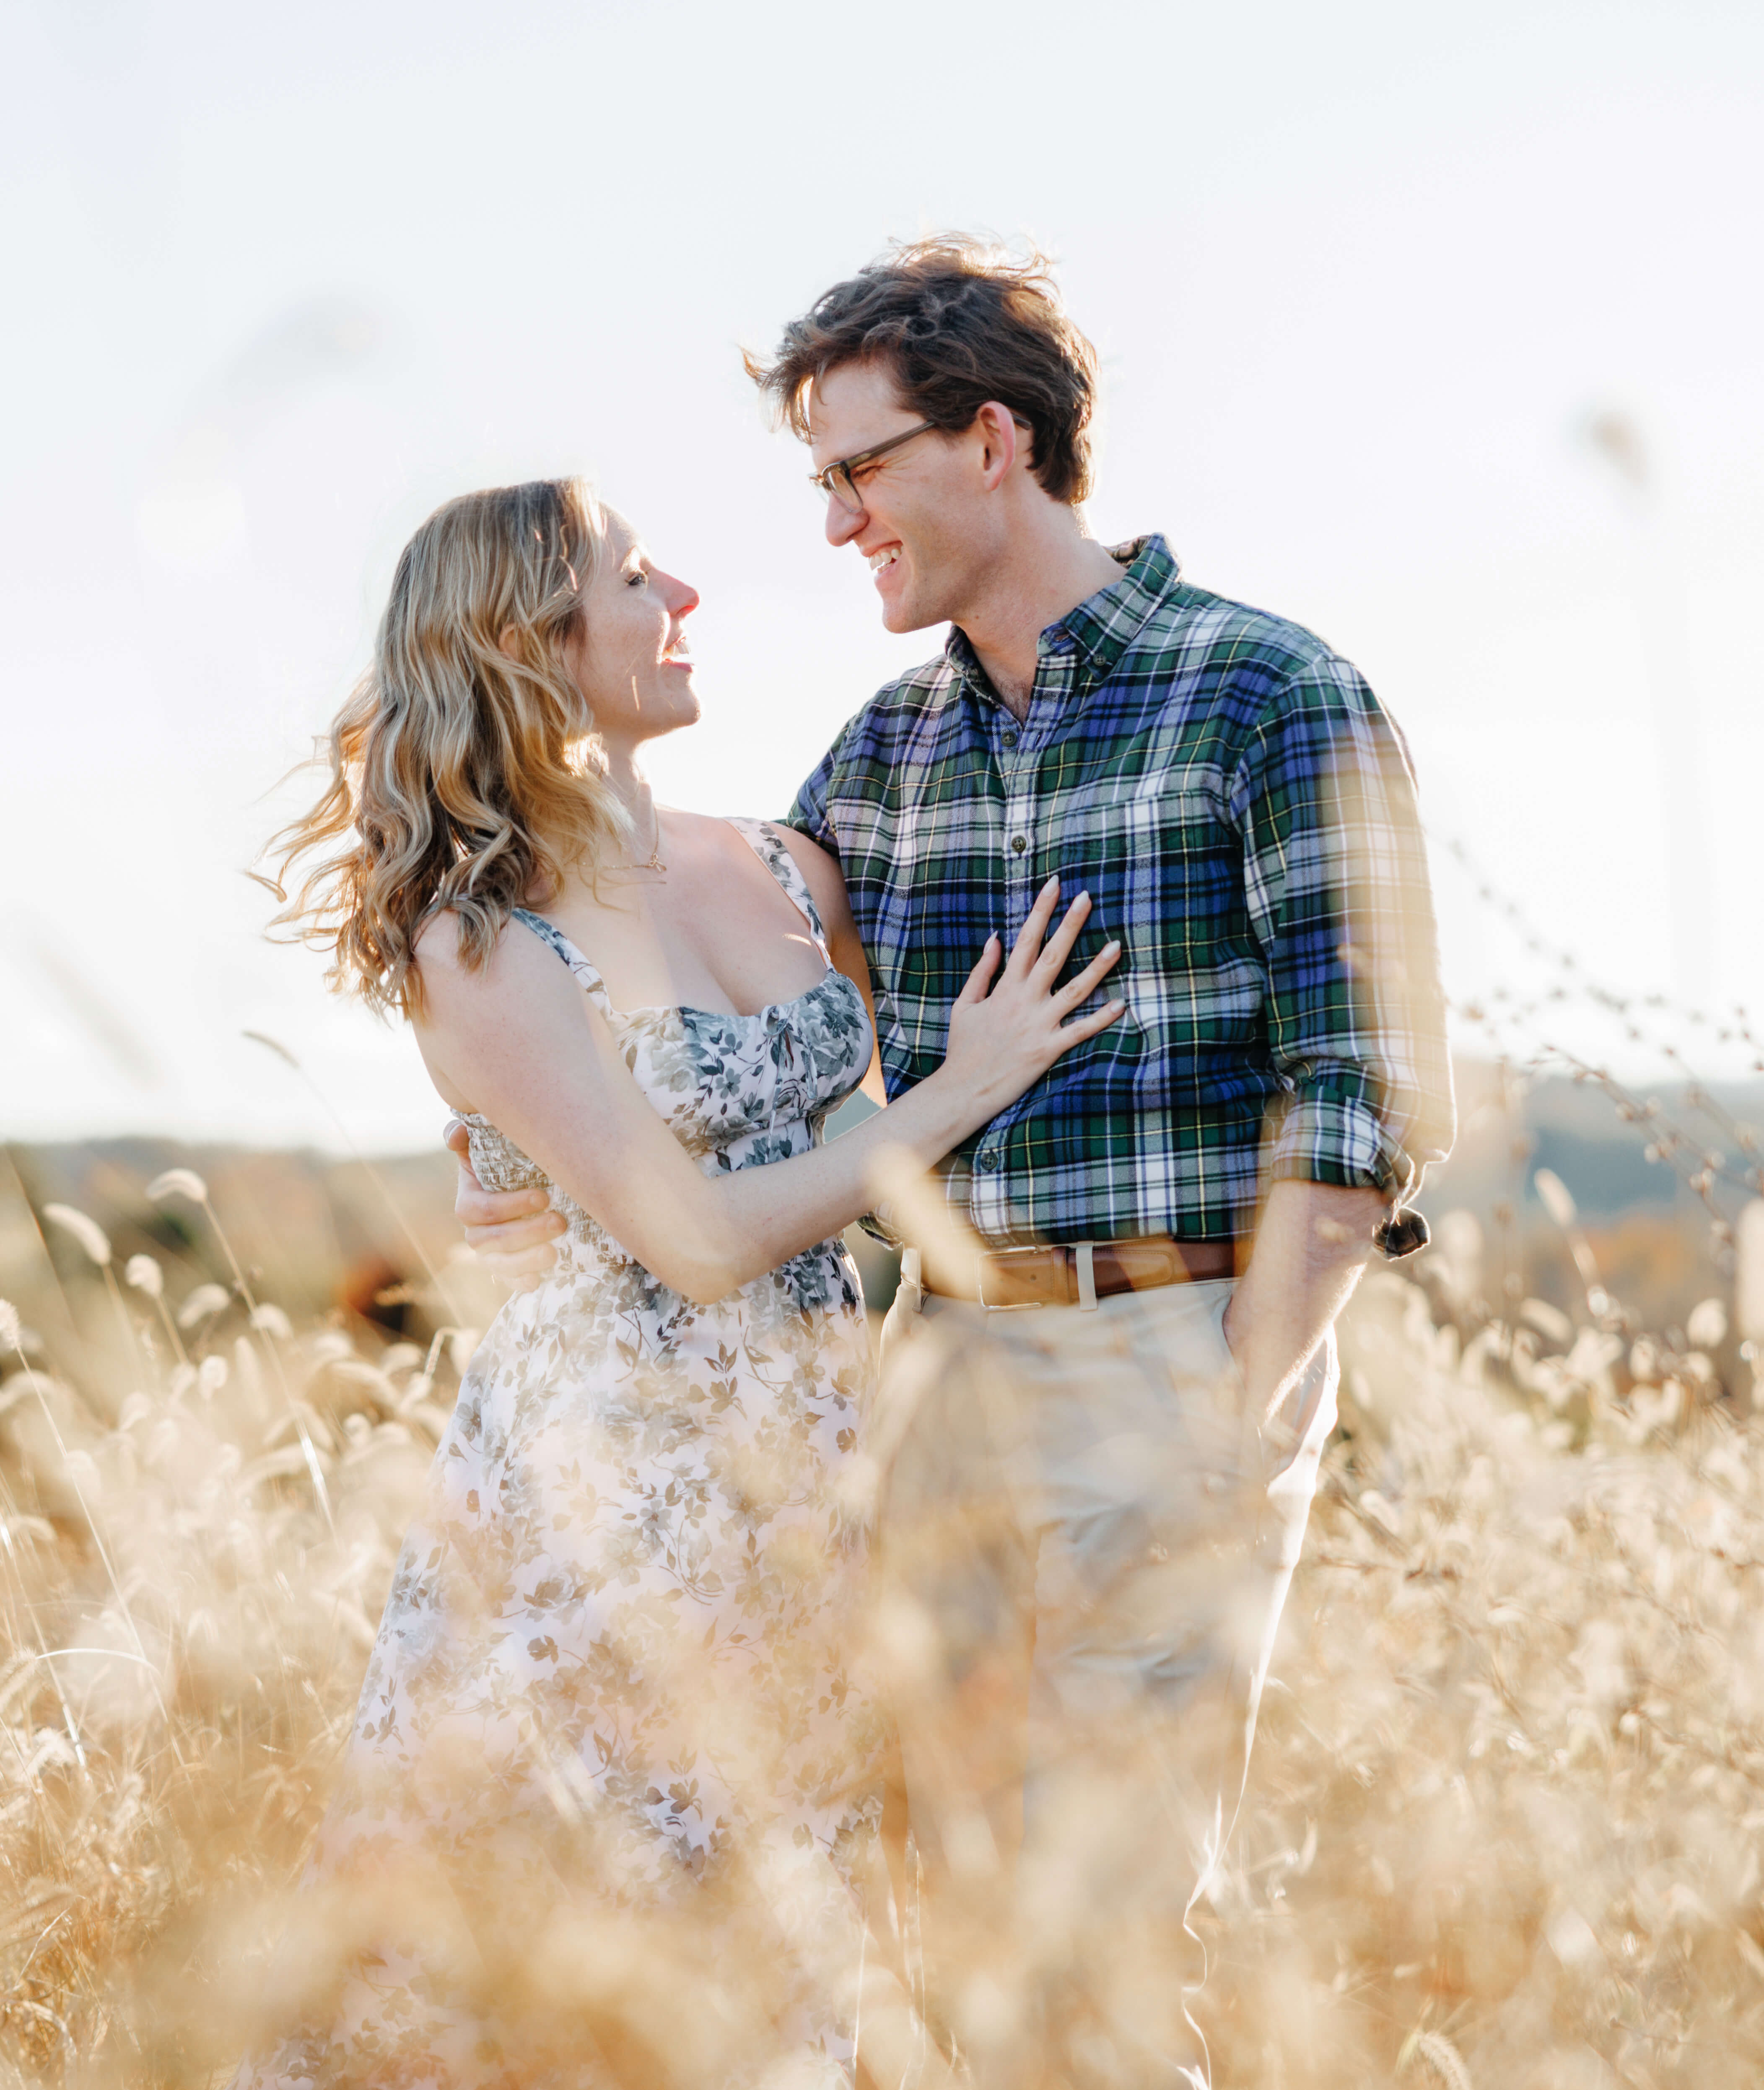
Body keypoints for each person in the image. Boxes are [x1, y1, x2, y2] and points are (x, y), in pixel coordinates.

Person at [451, 239, 1455, 2082]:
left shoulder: (1268, 695)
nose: (836, 523)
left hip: (1170, 1353)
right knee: (939, 1933)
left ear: (993, 440)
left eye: (861, 470)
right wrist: (518, 1150)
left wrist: (1238, 1409)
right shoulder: (881, 762)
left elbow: (1363, 1099)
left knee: (1111, 1921)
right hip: (924, 1393)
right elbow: (697, 986)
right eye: (820, 482)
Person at [244, 475, 1125, 2087]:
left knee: (776, 1926)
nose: (688, 598)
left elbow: (805, 1124)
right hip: (611, 1485)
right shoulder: (479, 936)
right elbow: (702, 1240)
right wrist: (961, 1088)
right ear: (534, 644)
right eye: (639, 579)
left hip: (805, 1470)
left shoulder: (778, 863)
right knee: (574, 1917)